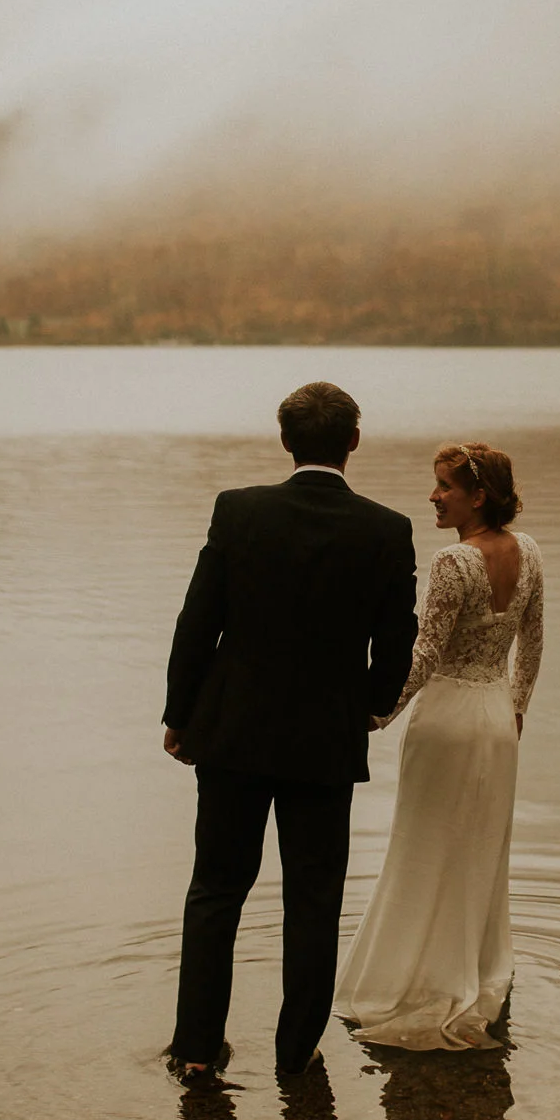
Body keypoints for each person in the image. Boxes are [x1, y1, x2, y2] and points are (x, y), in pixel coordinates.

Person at [162, 382, 418, 1080]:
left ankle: (194, 1051)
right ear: (353, 442)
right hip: (324, 743)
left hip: (233, 735)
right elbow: (398, 644)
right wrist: (368, 707)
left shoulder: (238, 511)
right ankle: (295, 1052)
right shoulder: (386, 530)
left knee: (216, 888)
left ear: (286, 441)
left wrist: (179, 715)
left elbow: (197, 621)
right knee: (313, 897)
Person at [333, 442, 544, 1050]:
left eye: (444, 486)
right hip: (496, 719)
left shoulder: (455, 562)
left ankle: (419, 979)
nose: (433, 496)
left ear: (478, 496)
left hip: (448, 719)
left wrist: (377, 714)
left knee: (424, 846)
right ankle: (476, 973)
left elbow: (424, 655)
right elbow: (532, 642)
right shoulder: (529, 551)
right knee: (480, 851)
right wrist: (518, 705)